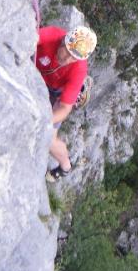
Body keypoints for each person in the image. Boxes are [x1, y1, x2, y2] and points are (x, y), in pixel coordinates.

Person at [35, 25, 97, 181]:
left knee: (48, 138)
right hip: (39, 78)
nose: (67, 60)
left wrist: (45, 121)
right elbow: (28, 38)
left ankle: (65, 166)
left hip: (57, 93)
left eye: (73, 58)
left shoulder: (78, 68)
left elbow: (64, 108)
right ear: (63, 41)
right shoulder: (52, 35)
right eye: (67, 52)